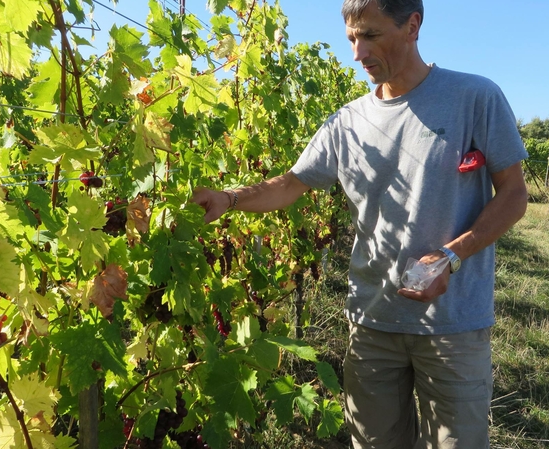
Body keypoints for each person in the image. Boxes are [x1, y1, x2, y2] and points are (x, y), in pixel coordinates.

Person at [191, 0, 529, 447]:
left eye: (370, 35)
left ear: (412, 26)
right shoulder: (347, 122)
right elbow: (291, 183)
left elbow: (514, 194)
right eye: (352, 37)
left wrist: (452, 257)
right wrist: (230, 198)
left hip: (453, 328)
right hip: (372, 323)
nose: (357, 52)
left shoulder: (474, 97)